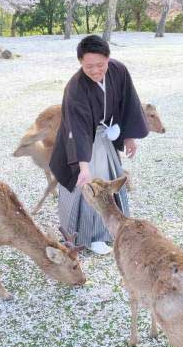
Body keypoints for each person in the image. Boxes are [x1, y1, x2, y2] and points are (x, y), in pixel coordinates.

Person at [50, 35, 149, 255]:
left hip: (104, 137)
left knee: (106, 183)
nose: (95, 71)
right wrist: (84, 166)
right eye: (89, 66)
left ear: (108, 58)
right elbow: (78, 128)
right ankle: (86, 236)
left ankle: (104, 232)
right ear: (80, 63)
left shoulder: (118, 71)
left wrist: (129, 136)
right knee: (90, 184)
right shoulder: (75, 88)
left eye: (100, 65)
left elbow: (128, 104)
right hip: (80, 143)